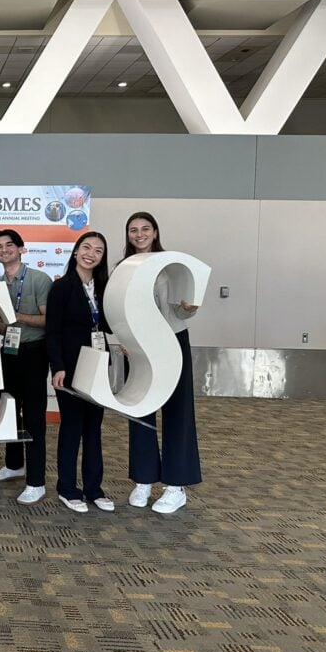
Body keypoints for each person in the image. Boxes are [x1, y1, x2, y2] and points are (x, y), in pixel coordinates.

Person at [122, 212, 201, 514]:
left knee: (177, 411)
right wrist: (126, 341)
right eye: (133, 230)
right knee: (140, 411)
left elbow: (178, 311)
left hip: (172, 343)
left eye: (145, 229)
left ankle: (175, 485)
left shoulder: (171, 265)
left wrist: (188, 309)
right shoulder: (123, 268)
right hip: (138, 347)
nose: (139, 234)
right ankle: (143, 479)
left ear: (155, 232)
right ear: (127, 235)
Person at [47, 231, 114, 514]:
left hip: (98, 364)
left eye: (98, 250)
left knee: (93, 428)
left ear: (102, 258)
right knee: (72, 427)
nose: (91, 253)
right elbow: (53, 332)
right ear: (76, 252)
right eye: (86, 247)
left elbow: (109, 324)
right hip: (72, 368)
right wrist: (57, 367)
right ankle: (67, 488)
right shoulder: (62, 288)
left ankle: (93, 488)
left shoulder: (106, 287)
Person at [0, 229, 52, 506]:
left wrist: (15, 315)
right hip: (9, 351)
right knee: (10, 411)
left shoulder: (39, 279)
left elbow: (47, 320)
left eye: (9, 245)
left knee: (34, 417)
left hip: (35, 353)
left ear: (21, 249)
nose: (4, 250)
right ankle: (14, 465)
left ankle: (36, 481)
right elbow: (4, 328)